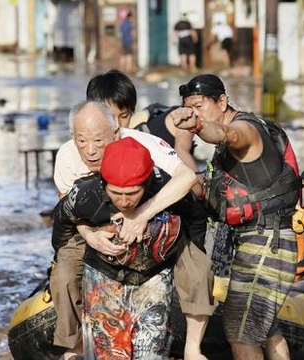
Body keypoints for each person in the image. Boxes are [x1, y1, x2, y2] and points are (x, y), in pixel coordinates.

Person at [51, 101, 214, 360]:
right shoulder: (67, 159)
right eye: (82, 141)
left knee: (198, 266)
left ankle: (193, 348)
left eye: (98, 141)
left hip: (156, 217)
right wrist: (90, 236)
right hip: (91, 224)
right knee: (64, 272)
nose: (90, 151)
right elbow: (67, 212)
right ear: (73, 138)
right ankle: (75, 345)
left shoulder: (146, 145)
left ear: (116, 133)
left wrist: (141, 214)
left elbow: (187, 179)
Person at [172, 74, 301, 360]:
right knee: (265, 329)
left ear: (222, 101)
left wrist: (197, 126)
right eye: (189, 108)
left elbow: (226, 134)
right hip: (267, 240)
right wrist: (179, 148)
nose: (195, 114)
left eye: (200, 106)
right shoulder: (232, 141)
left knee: (241, 333)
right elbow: (210, 190)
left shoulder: (245, 129)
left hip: (267, 244)